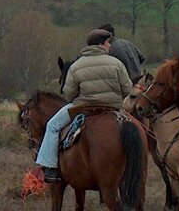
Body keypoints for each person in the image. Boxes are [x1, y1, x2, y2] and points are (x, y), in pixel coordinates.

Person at [35, 29, 132, 183]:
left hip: (83, 108)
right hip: (113, 107)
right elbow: (127, 88)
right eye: (107, 42)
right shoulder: (117, 63)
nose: (109, 46)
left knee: (52, 125)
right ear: (100, 44)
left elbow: (69, 94)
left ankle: (50, 168)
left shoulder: (76, 66)